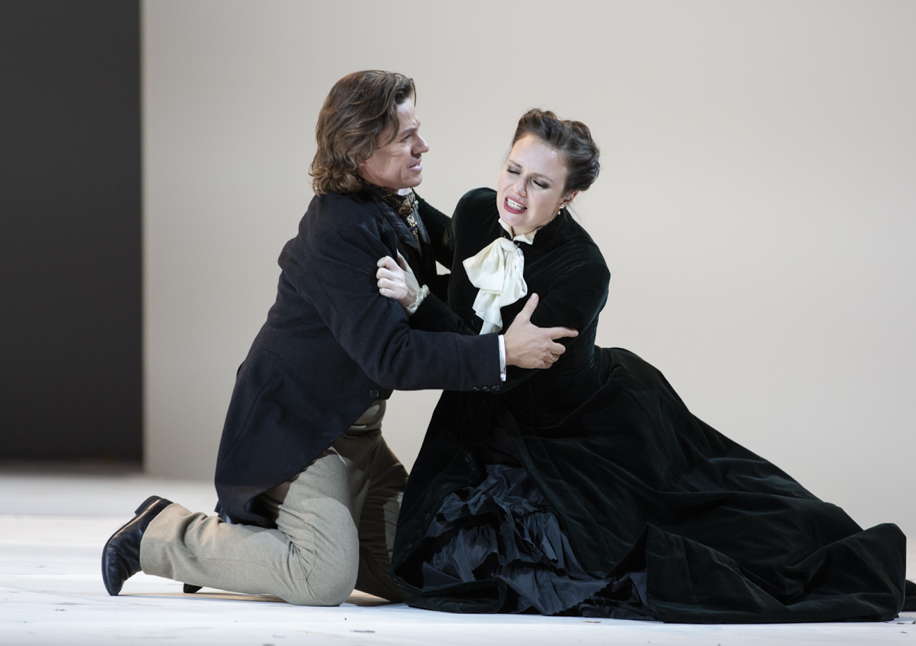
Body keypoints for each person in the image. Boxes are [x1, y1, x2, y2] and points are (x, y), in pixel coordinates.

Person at [378, 109, 916, 622]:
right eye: (513, 170)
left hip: (572, 425)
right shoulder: (479, 208)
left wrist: (418, 303)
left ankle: (821, 541)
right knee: (439, 558)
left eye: (539, 183)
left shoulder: (583, 270)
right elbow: (449, 257)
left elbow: (492, 371)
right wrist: (392, 195)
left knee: (706, 521)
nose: (516, 192)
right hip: (486, 413)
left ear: (568, 195)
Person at [100, 71, 576, 606]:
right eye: (404, 137)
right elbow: (392, 357)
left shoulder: (401, 203)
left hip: (361, 440)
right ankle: (162, 533)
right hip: (301, 435)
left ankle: (241, 553)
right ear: (358, 150)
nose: (423, 146)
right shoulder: (337, 232)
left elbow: (477, 258)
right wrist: (502, 353)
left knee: (423, 575)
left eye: (417, 130)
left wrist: (544, 215)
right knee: (322, 578)